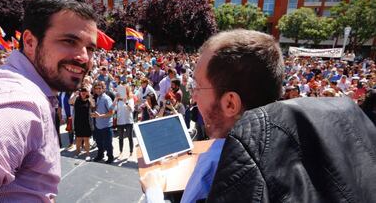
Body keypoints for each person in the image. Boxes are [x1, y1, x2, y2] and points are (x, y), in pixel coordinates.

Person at [141, 29, 376, 202]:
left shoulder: (220, 170)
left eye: (198, 87)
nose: (192, 97)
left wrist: (153, 190)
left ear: (230, 103)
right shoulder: (305, 149)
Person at [0, 0, 97, 201]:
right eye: (69, 41)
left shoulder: (23, 89)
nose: (84, 57)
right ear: (30, 42)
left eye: (91, 48)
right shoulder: (20, 106)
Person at [91, 81, 115, 164]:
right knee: (99, 143)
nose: (98, 90)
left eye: (99, 88)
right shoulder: (97, 98)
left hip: (106, 126)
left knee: (108, 144)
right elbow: (99, 111)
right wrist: (94, 114)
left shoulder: (106, 98)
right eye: (96, 88)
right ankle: (100, 155)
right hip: (98, 125)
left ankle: (110, 157)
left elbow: (111, 112)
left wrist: (100, 116)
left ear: (103, 89)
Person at [69, 87, 95, 161]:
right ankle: (77, 152)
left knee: (86, 139)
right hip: (78, 122)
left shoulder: (89, 99)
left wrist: (89, 96)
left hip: (87, 122)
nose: (83, 92)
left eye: (85, 91)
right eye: (82, 91)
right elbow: (70, 102)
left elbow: (93, 105)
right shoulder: (76, 99)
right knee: (78, 139)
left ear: (87, 92)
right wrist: (75, 95)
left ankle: (87, 154)